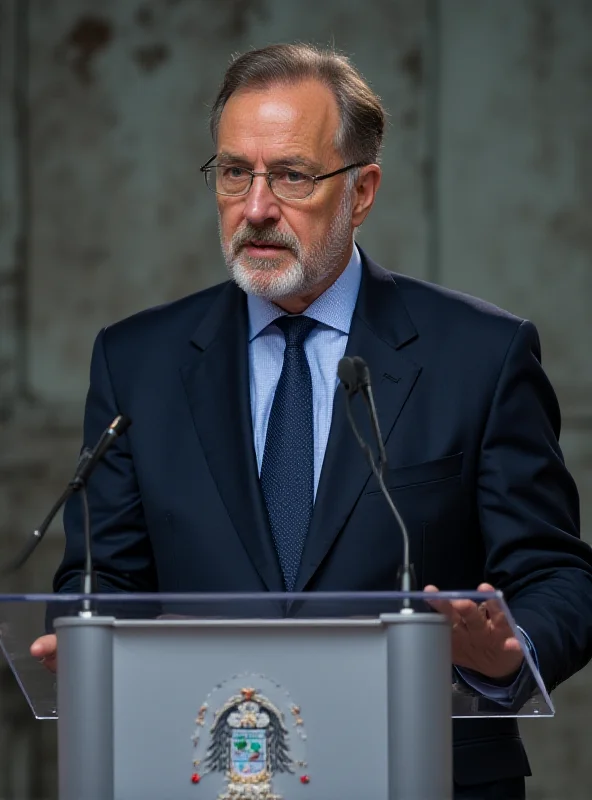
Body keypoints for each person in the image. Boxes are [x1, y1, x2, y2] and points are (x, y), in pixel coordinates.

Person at [31, 43, 592, 799]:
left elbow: (558, 576)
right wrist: (87, 633)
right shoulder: (138, 361)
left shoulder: (481, 355)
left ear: (362, 191)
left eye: (291, 175)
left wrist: (506, 650)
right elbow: (103, 577)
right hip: (200, 773)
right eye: (235, 172)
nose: (256, 207)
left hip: (425, 776)